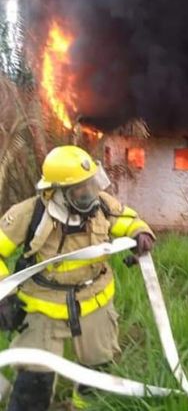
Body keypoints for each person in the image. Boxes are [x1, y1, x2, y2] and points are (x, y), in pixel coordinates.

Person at [0, 145, 155, 411]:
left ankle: (84, 406)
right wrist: (5, 296)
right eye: (80, 190)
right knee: (34, 378)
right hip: (42, 307)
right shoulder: (28, 215)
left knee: (99, 367)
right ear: (55, 192)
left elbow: (129, 220)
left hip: (95, 300)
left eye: (92, 184)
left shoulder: (101, 206)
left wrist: (141, 234)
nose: (91, 194)